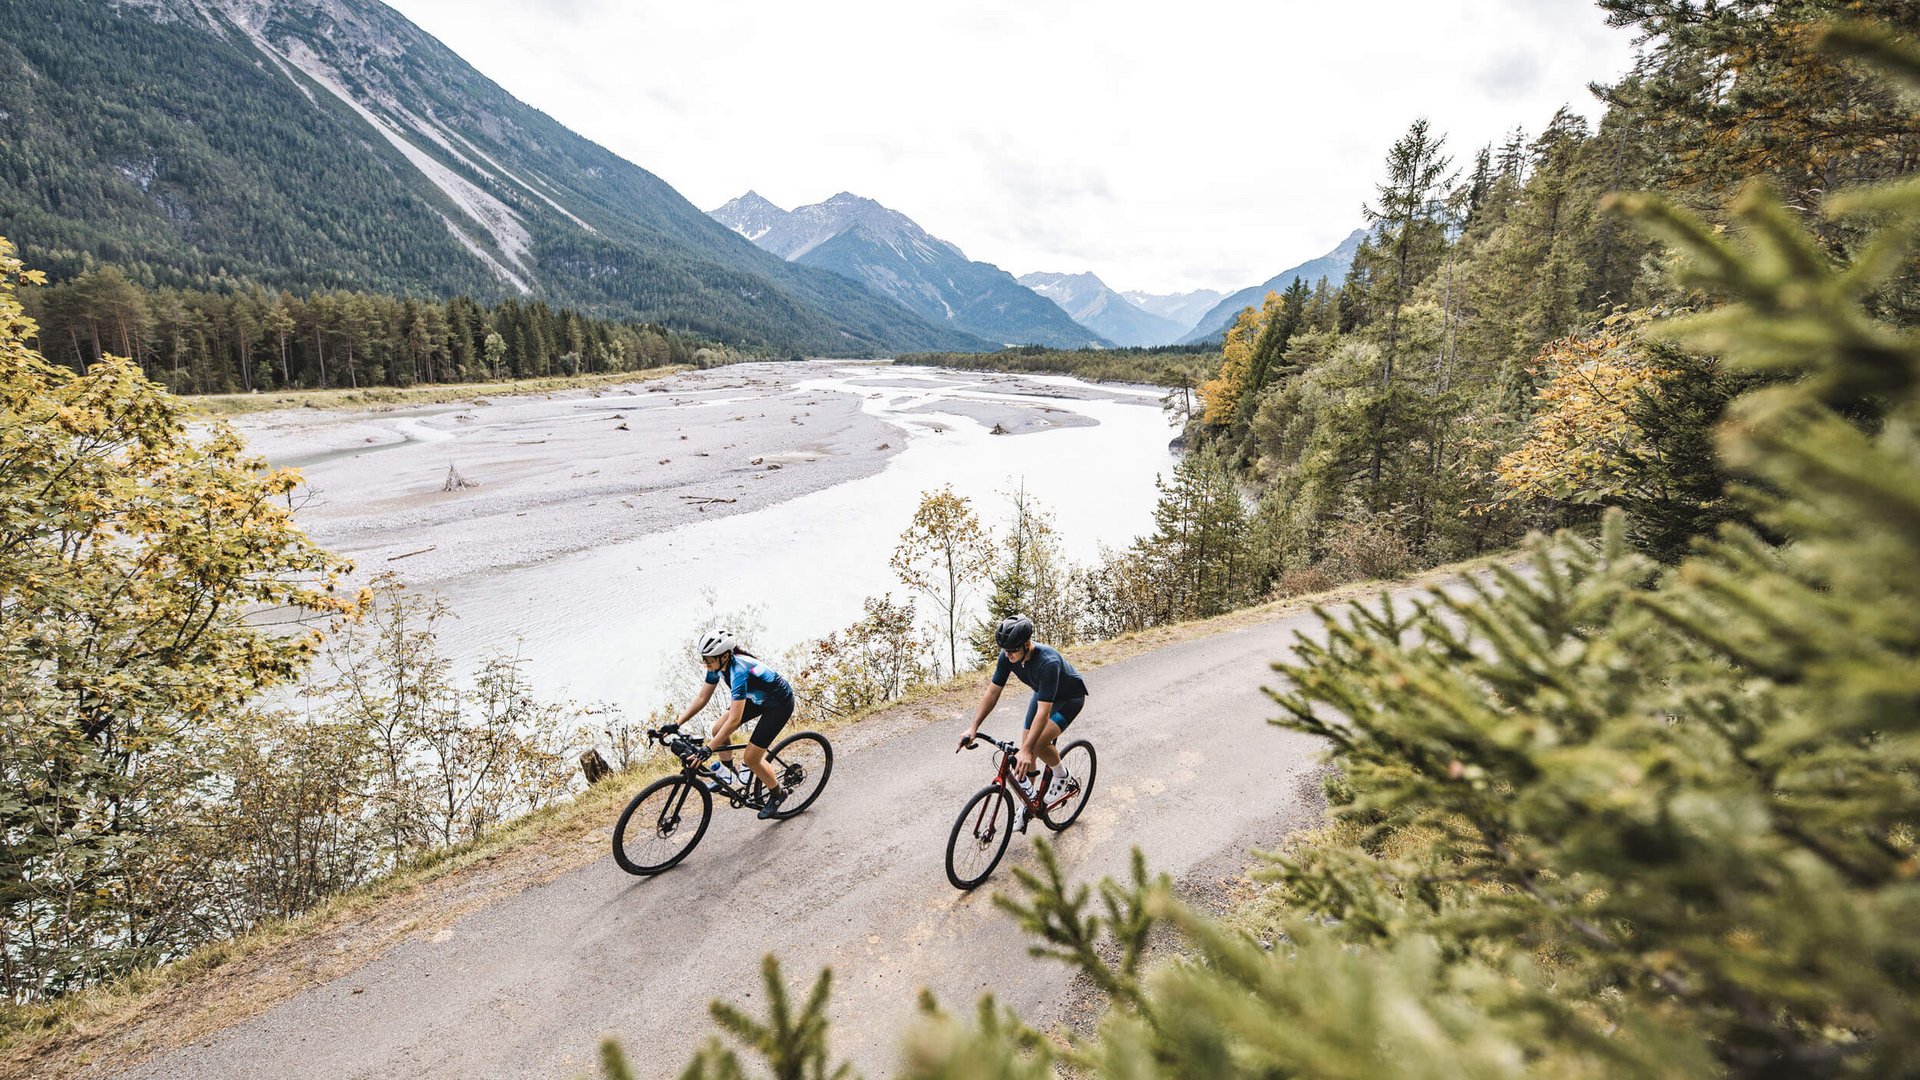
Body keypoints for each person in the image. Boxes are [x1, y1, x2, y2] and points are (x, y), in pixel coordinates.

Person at [958, 615, 1089, 831]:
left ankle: (1061, 774)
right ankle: (1027, 804)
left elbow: (1044, 712)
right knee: (1024, 756)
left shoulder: (1048, 662)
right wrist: (973, 727)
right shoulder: (1007, 656)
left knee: (1035, 745)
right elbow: (993, 692)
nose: (1008, 654)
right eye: (1004, 650)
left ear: (1027, 644)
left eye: (1012, 650)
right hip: (1043, 693)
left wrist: (1028, 749)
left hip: (1069, 699)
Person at [672, 627, 797, 819]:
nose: (706, 663)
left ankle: (777, 793)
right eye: (704, 659)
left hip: (778, 704)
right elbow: (702, 698)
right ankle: (729, 774)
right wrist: (677, 724)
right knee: (717, 730)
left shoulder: (739, 672)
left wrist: (708, 749)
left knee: (751, 758)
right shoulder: (717, 667)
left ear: (724, 656)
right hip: (756, 699)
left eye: (709, 659)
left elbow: (734, 720)